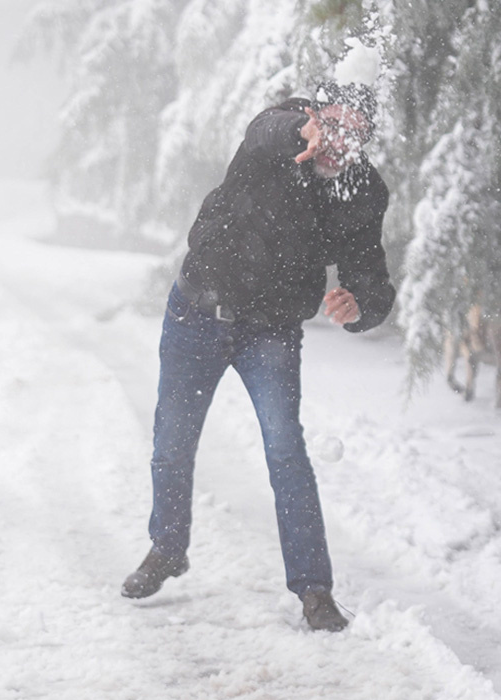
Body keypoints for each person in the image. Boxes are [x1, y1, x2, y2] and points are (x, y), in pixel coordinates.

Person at [121, 82, 395, 632]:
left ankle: (314, 590)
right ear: (314, 115)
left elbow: (372, 276)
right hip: (197, 311)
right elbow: (265, 129)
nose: (339, 144)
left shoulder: (361, 192)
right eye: (333, 127)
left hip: (270, 331)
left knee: (285, 451)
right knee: (173, 442)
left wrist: (360, 303)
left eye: (354, 136)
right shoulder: (275, 138)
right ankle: (168, 549)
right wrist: (303, 130)